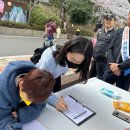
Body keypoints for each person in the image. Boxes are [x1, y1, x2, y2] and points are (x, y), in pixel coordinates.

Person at [0, 60, 55, 130]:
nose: (29, 103)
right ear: (21, 84)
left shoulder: (40, 86)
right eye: (27, 99)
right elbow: (2, 118)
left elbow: (40, 105)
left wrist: (21, 115)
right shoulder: (2, 91)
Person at [104, 12, 130, 91]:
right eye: (129, 19)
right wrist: (113, 66)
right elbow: (110, 48)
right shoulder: (120, 31)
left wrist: (119, 67)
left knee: (120, 95)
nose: (129, 21)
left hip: (125, 71)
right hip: (111, 68)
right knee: (103, 88)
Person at [91, 14, 116, 80]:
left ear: (114, 22)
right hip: (96, 58)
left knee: (104, 78)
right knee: (93, 76)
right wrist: (93, 54)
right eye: (106, 19)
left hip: (106, 60)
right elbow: (96, 43)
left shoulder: (115, 33)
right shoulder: (100, 31)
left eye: (110, 20)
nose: (107, 21)